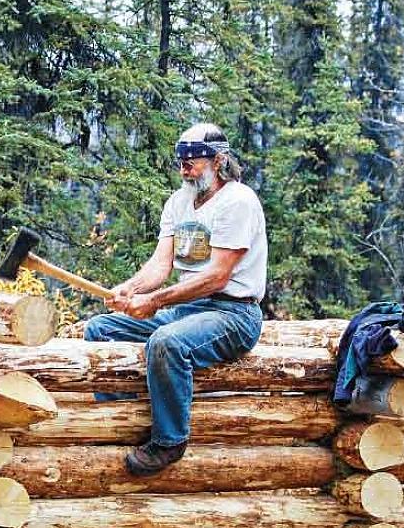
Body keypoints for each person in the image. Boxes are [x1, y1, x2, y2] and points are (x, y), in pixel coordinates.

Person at [84, 122, 267, 476]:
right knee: (101, 330)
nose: (184, 168)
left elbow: (216, 276)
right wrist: (131, 289)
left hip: (233, 314)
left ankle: (169, 441)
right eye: (180, 160)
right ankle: (122, 421)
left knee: (167, 343)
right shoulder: (179, 201)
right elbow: (160, 264)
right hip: (188, 309)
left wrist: (155, 302)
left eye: (193, 161)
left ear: (218, 160)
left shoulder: (238, 202)